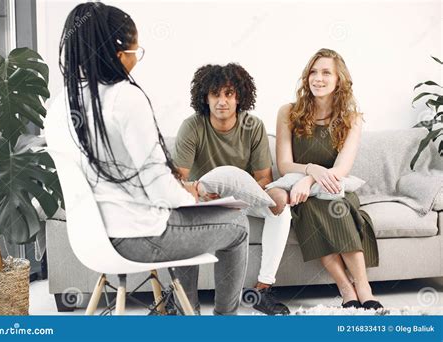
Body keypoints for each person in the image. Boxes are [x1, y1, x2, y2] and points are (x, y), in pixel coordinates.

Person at [45, 2, 249, 316]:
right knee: (238, 223)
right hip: (138, 237)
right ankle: (225, 322)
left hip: (90, 239)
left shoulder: (60, 106)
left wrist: (183, 194)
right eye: (135, 53)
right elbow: (160, 191)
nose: (134, 62)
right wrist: (191, 197)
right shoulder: (124, 97)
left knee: (190, 215)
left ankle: (186, 312)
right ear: (118, 54)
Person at [174, 63, 291, 315]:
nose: (222, 101)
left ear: (240, 96)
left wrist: (237, 195)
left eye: (229, 94)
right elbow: (178, 181)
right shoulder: (192, 126)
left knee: (282, 211)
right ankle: (181, 304)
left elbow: (263, 181)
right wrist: (201, 192)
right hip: (203, 200)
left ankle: (262, 289)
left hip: (241, 199)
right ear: (205, 97)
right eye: (215, 94)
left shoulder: (253, 126)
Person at [275, 48, 382, 310]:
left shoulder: (351, 119)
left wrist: (311, 180)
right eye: (313, 72)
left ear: (339, 80)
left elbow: (341, 168)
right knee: (311, 209)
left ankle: (364, 288)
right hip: (301, 193)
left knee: (338, 207)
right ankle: (346, 289)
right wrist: (311, 170)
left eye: (326, 73)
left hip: (335, 188)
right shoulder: (288, 112)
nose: (317, 78)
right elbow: (284, 164)